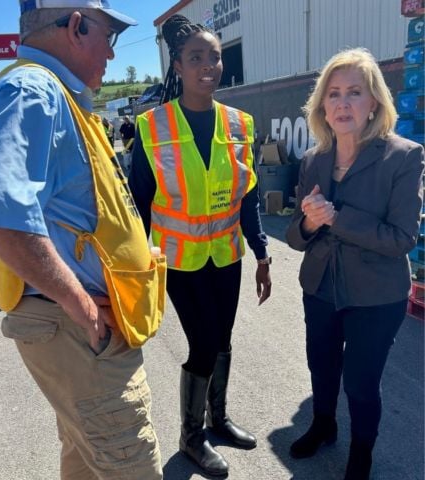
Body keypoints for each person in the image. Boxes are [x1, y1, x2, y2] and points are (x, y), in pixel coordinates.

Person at [0, 2, 164, 479]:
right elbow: (3, 216)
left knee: (87, 460)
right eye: (108, 37)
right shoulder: (32, 89)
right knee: (129, 466)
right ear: (76, 26)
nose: (112, 56)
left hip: (77, 331)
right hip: (78, 331)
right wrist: (80, 304)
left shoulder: (55, 95)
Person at [128, 14, 272, 477]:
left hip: (227, 254)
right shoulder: (152, 127)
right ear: (178, 66)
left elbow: (247, 194)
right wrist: (134, 266)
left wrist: (263, 251)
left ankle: (218, 418)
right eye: (196, 58)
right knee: (204, 343)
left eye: (214, 57)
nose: (208, 65)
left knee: (223, 339)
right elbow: (137, 203)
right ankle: (191, 437)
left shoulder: (239, 124)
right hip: (180, 260)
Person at [286, 48, 424, 480]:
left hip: (376, 296)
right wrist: (309, 223)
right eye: (334, 94)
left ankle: (362, 451)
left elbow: (403, 238)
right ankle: (323, 425)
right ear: (322, 106)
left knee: (362, 383)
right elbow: (295, 236)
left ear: (374, 104)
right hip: (320, 287)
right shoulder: (312, 159)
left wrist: (338, 219)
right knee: (321, 367)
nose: (342, 103)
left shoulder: (404, 156)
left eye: (354, 93)